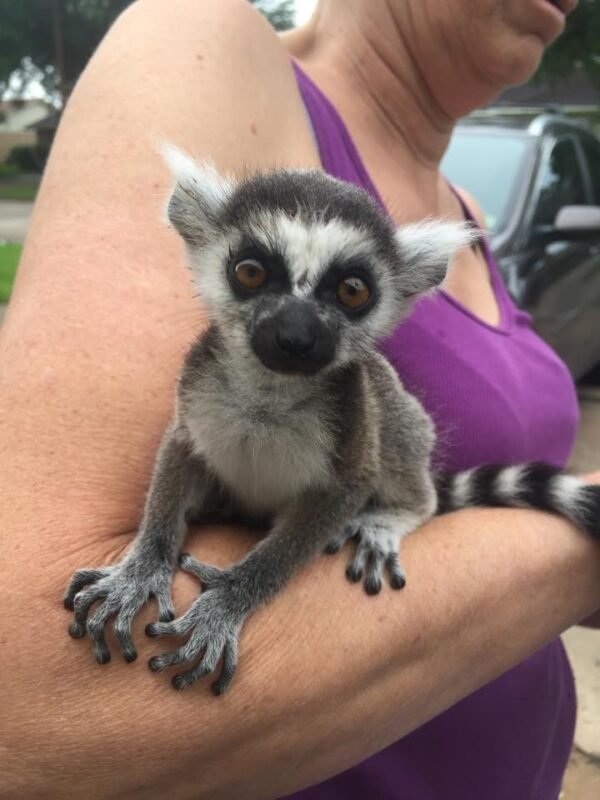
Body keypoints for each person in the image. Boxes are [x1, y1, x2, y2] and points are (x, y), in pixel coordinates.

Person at [0, 0, 598, 798]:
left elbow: (344, 485)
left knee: (385, 422)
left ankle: (409, 505)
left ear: (396, 296)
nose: (295, 324)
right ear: (202, 244)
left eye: (348, 292)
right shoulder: (199, 43)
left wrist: (374, 525)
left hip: (514, 759)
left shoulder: (463, 210)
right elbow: (37, 712)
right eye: (256, 275)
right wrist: (151, 558)